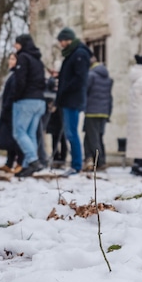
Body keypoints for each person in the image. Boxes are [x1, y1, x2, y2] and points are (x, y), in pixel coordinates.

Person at [54, 28, 91, 177]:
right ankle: (76, 164)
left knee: (72, 133)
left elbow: (79, 78)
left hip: (72, 99)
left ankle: (76, 165)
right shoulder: (72, 54)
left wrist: (64, 88)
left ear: (67, 39)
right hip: (68, 98)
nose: (60, 44)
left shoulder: (79, 54)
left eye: (61, 41)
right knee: (70, 133)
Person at [9, 34, 47, 177]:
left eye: (17, 43)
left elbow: (20, 81)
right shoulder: (38, 61)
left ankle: (33, 160)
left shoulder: (23, 58)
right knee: (30, 133)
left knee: (19, 132)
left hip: (26, 101)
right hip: (39, 101)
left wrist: (15, 96)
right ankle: (27, 166)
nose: (15, 46)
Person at [83, 57, 113, 171]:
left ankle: (100, 162)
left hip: (92, 111)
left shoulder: (91, 75)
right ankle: (90, 160)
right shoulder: (107, 78)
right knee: (96, 137)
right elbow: (110, 97)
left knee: (93, 138)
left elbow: (85, 91)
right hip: (104, 112)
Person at [0, 53, 22, 173]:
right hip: (7, 109)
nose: (10, 61)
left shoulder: (16, 75)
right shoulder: (10, 75)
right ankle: (9, 162)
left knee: (15, 137)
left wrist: (7, 106)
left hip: (12, 109)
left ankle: (19, 162)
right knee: (9, 137)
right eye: (10, 58)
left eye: (13, 59)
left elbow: (12, 93)